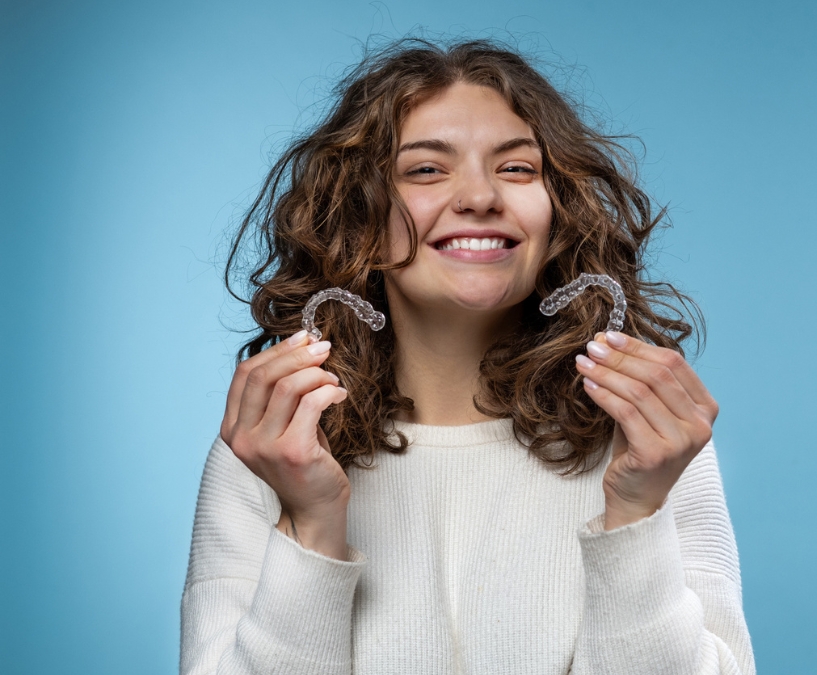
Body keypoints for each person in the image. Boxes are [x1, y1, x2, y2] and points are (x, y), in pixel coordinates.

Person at [181, 39, 755, 675]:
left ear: (556, 213)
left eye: (517, 169)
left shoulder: (654, 445)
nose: (481, 196)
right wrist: (310, 525)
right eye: (426, 169)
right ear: (358, 219)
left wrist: (635, 516)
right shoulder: (271, 450)